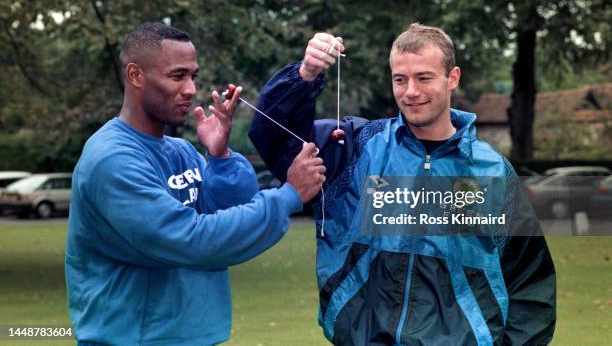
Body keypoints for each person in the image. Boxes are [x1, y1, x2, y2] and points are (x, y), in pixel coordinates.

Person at [249, 24, 556, 345]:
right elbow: (276, 141)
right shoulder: (356, 147)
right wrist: (305, 75)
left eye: (424, 78)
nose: (410, 91)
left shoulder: (490, 170)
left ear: (452, 78)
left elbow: (530, 279)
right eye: (400, 79)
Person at [65, 22, 326, 345]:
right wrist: (288, 195)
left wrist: (220, 158)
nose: (190, 89)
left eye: (193, 76)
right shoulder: (112, 159)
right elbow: (194, 240)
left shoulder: (181, 150)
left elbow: (233, 220)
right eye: (178, 76)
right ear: (135, 75)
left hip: (194, 337)